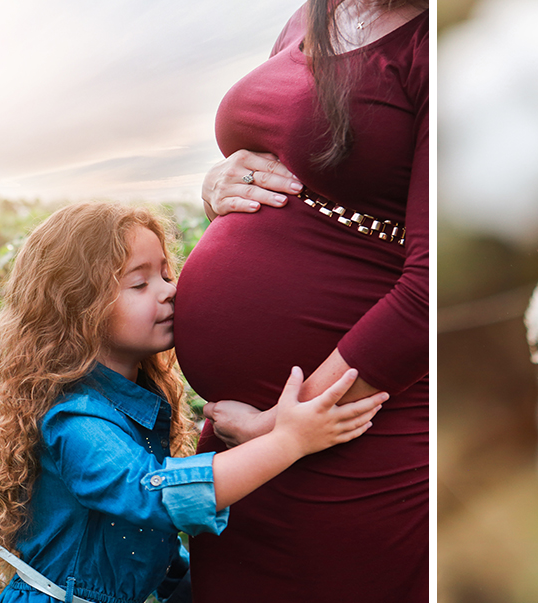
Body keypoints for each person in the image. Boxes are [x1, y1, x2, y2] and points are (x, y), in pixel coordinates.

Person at [0, 202, 387, 603]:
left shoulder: (136, 397)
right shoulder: (77, 419)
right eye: (140, 283)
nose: (168, 291)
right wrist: (289, 440)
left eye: (166, 274)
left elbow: (133, 538)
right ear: (78, 307)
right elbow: (151, 497)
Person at [173, 0, 428, 600]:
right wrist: (218, 183)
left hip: (349, 445)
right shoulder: (312, 14)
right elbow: (305, 169)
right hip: (246, 448)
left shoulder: (430, 45)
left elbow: (426, 289)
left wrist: (284, 429)